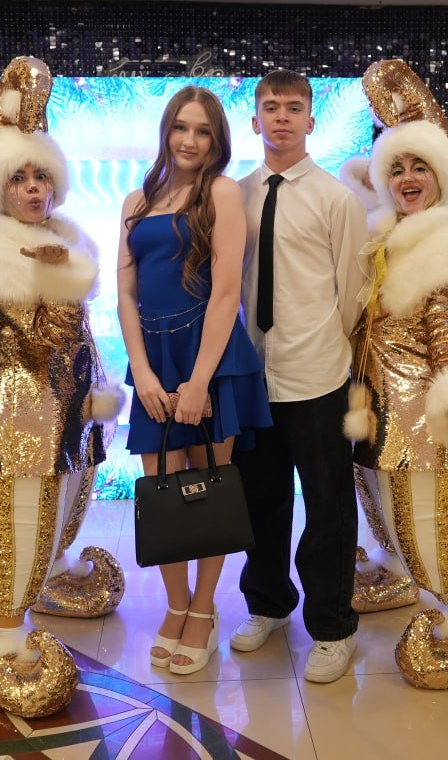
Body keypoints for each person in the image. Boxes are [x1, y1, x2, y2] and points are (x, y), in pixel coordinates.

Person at [0, 56, 121, 718]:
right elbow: (40, 335)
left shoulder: (63, 241)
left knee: (64, 501)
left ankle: (50, 576)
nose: (32, 188)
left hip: (66, 413)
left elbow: (77, 334)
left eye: (41, 176)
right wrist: (57, 281)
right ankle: (6, 629)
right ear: (0, 188)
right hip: (11, 421)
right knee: (14, 515)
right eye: (19, 178)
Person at [341, 59, 448, 690]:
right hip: (380, 405)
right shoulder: (387, 236)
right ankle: (398, 572)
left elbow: (445, 329)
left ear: (441, 177)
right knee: (385, 506)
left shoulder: (440, 242)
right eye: (397, 168)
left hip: (423, 416)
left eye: (419, 167)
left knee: (431, 516)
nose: (407, 179)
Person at [117, 85, 272, 675]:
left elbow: (227, 292)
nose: (190, 140)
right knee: (161, 491)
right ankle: (175, 605)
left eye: (203, 131)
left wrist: (200, 381)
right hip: (153, 360)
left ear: (217, 140)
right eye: (181, 127)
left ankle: (203, 610)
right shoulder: (136, 199)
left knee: (209, 490)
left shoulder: (222, 193)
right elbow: (126, 295)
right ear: (166, 131)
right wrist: (143, 374)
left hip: (211, 357)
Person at [230, 70, 370, 684]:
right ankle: (268, 603)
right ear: (255, 120)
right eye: (271, 107)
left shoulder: (336, 198)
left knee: (327, 506)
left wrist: (326, 347)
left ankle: (333, 627)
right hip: (251, 374)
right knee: (260, 501)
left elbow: (353, 289)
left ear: (311, 120)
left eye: (293, 108)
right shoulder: (235, 195)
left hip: (316, 372)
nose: (282, 117)